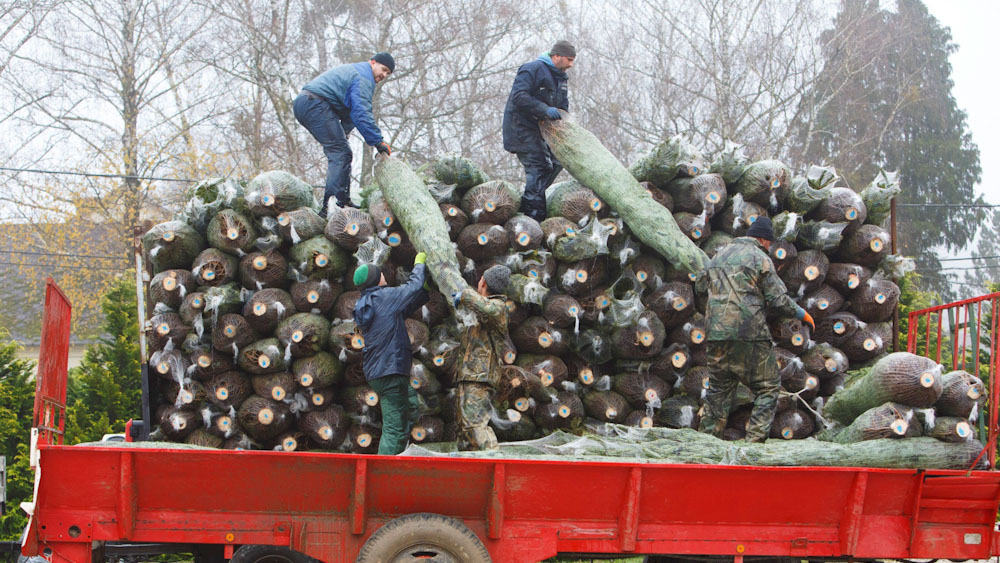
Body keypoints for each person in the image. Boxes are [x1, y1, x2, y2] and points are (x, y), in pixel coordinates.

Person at [694, 217, 815, 443]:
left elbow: (700, 286)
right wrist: (801, 313)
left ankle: (706, 445)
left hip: (716, 335)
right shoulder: (760, 258)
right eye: (768, 244)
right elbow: (778, 299)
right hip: (749, 335)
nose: (769, 248)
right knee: (768, 387)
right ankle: (754, 444)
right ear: (763, 239)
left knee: (718, 392)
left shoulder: (718, 256)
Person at [294, 52, 395, 215]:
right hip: (314, 104)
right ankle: (331, 207)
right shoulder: (364, 77)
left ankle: (343, 200)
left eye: (387, 74)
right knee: (340, 152)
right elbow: (361, 112)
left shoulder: (359, 74)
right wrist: (378, 142)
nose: (384, 75)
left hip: (312, 104)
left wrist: (344, 133)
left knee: (343, 151)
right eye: (383, 69)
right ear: (373, 63)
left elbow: (350, 113)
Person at [352, 252, 428, 455]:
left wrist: (424, 291)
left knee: (410, 405)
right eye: (380, 273)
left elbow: (403, 307)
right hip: (389, 371)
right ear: (376, 279)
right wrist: (419, 265)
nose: (384, 274)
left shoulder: (368, 302)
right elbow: (412, 287)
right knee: (393, 430)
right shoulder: (383, 297)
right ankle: (382, 474)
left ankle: (400, 454)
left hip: (383, 371)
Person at [502, 40, 575, 222]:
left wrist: (565, 122)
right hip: (521, 127)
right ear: (556, 56)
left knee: (557, 161)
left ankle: (530, 200)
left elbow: (562, 106)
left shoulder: (561, 78)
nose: (571, 65)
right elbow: (519, 96)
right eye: (569, 59)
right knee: (539, 165)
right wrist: (544, 109)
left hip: (543, 130)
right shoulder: (532, 69)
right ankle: (531, 216)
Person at [451, 265, 516, 451]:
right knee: (465, 429)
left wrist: (464, 294)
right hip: (470, 375)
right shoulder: (481, 310)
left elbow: (484, 307)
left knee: (474, 426)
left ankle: (494, 463)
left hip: (480, 376)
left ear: (483, 282)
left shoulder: (498, 308)